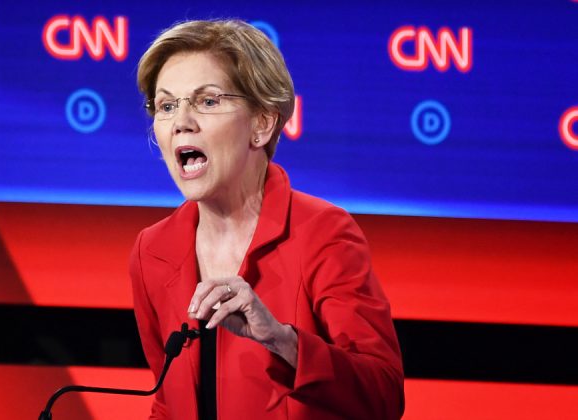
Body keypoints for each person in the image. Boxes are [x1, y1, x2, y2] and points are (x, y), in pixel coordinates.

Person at [130, 19, 404, 420]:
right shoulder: (151, 250)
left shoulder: (323, 234)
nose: (181, 122)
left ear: (262, 123)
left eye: (207, 101)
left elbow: (383, 395)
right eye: (167, 105)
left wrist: (282, 341)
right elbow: (168, 402)